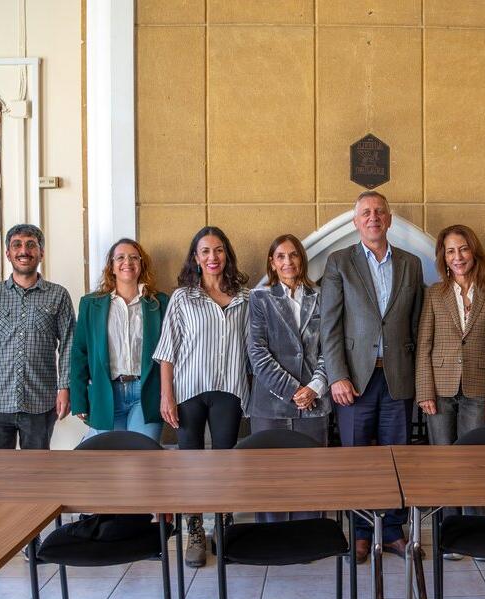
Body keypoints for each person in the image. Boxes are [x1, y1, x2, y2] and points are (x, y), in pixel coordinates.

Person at [320, 191, 424, 562]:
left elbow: (416, 325)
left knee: (398, 458)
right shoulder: (339, 262)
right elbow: (329, 327)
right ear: (355, 221)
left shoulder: (411, 264)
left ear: (389, 219)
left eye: (379, 211)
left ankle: (394, 532)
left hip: (398, 377)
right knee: (357, 460)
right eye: (366, 212)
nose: (373, 217)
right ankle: (362, 532)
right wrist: (337, 376)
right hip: (354, 382)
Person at [153, 226, 250, 567]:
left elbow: (253, 347)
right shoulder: (182, 297)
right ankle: (194, 528)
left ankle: (223, 525)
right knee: (190, 463)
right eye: (205, 251)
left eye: (219, 250)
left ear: (227, 255)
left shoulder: (244, 297)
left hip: (229, 392)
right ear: (195, 257)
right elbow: (167, 351)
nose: (213, 257)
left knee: (226, 463)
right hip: (189, 391)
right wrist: (167, 395)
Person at [416, 224, 485, 551]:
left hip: (478, 389)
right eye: (451, 251)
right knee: (444, 462)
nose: (458, 257)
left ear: (474, 251)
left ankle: (478, 533)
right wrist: (424, 390)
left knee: (474, 461)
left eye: (463, 249)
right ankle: (450, 534)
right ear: (444, 257)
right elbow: (424, 343)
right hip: (439, 389)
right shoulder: (434, 293)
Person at [0, 224, 75, 450]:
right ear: (8, 253)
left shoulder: (58, 295)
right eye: (17, 245)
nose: (24, 251)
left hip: (40, 401)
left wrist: (65, 387)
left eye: (31, 245)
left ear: (41, 253)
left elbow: (69, 345)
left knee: (36, 475)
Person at [248, 234, 328, 522]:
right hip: (270, 405)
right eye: (280, 256)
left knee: (309, 475)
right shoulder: (259, 298)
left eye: (293, 255)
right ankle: (272, 537)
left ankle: (307, 536)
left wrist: (315, 388)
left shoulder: (321, 296)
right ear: (272, 262)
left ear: (301, 259)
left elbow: (329, 348)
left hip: (314, 403)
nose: (287, 261)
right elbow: (257, 352)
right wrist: (295, 390)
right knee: (269, 477)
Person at [70, 238, 169, 442]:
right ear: (112, 266)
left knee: (142, 457)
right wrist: (78, 399)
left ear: (141, 265)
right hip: (106, 392)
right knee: (108, 460)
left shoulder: (159, 303)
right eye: (121, 257)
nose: (128, 262)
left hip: (146, 393)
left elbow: (170, 352)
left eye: (134, 257)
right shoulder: (91, 304)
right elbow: (79, 353)